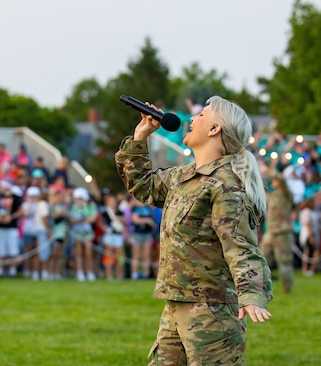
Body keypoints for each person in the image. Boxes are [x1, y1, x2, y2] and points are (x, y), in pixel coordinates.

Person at [115, 95, 272, 365]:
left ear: (215, 129)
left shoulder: (226, 186)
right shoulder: (183, 176)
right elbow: (143, 186)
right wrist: (141, 136)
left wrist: (251, 293)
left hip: (212, 313)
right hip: (176, 304)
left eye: (201, 115)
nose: (191, 119)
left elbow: (241, 246)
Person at [261, 170, 295, 293]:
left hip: (282, 234)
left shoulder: (286, 195)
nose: (274, 182)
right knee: (261, 259)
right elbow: (263, 190)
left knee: (284, 263)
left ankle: (287, 288)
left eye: (275, 181)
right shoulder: (273, 196)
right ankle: (259, 286)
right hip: (270, 233)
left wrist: (269, 171)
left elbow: (282, 180)